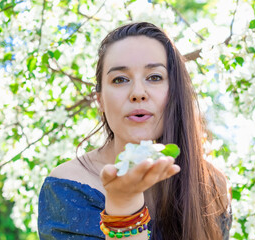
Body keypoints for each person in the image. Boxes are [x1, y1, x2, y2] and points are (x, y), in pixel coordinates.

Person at [38, 22, 232, 240]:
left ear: (176, 92)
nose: (138, 93)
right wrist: (123, 204)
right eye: (120, 80)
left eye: (155, 77)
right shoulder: (68, 188)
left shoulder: (211, 184)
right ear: (101, 101)